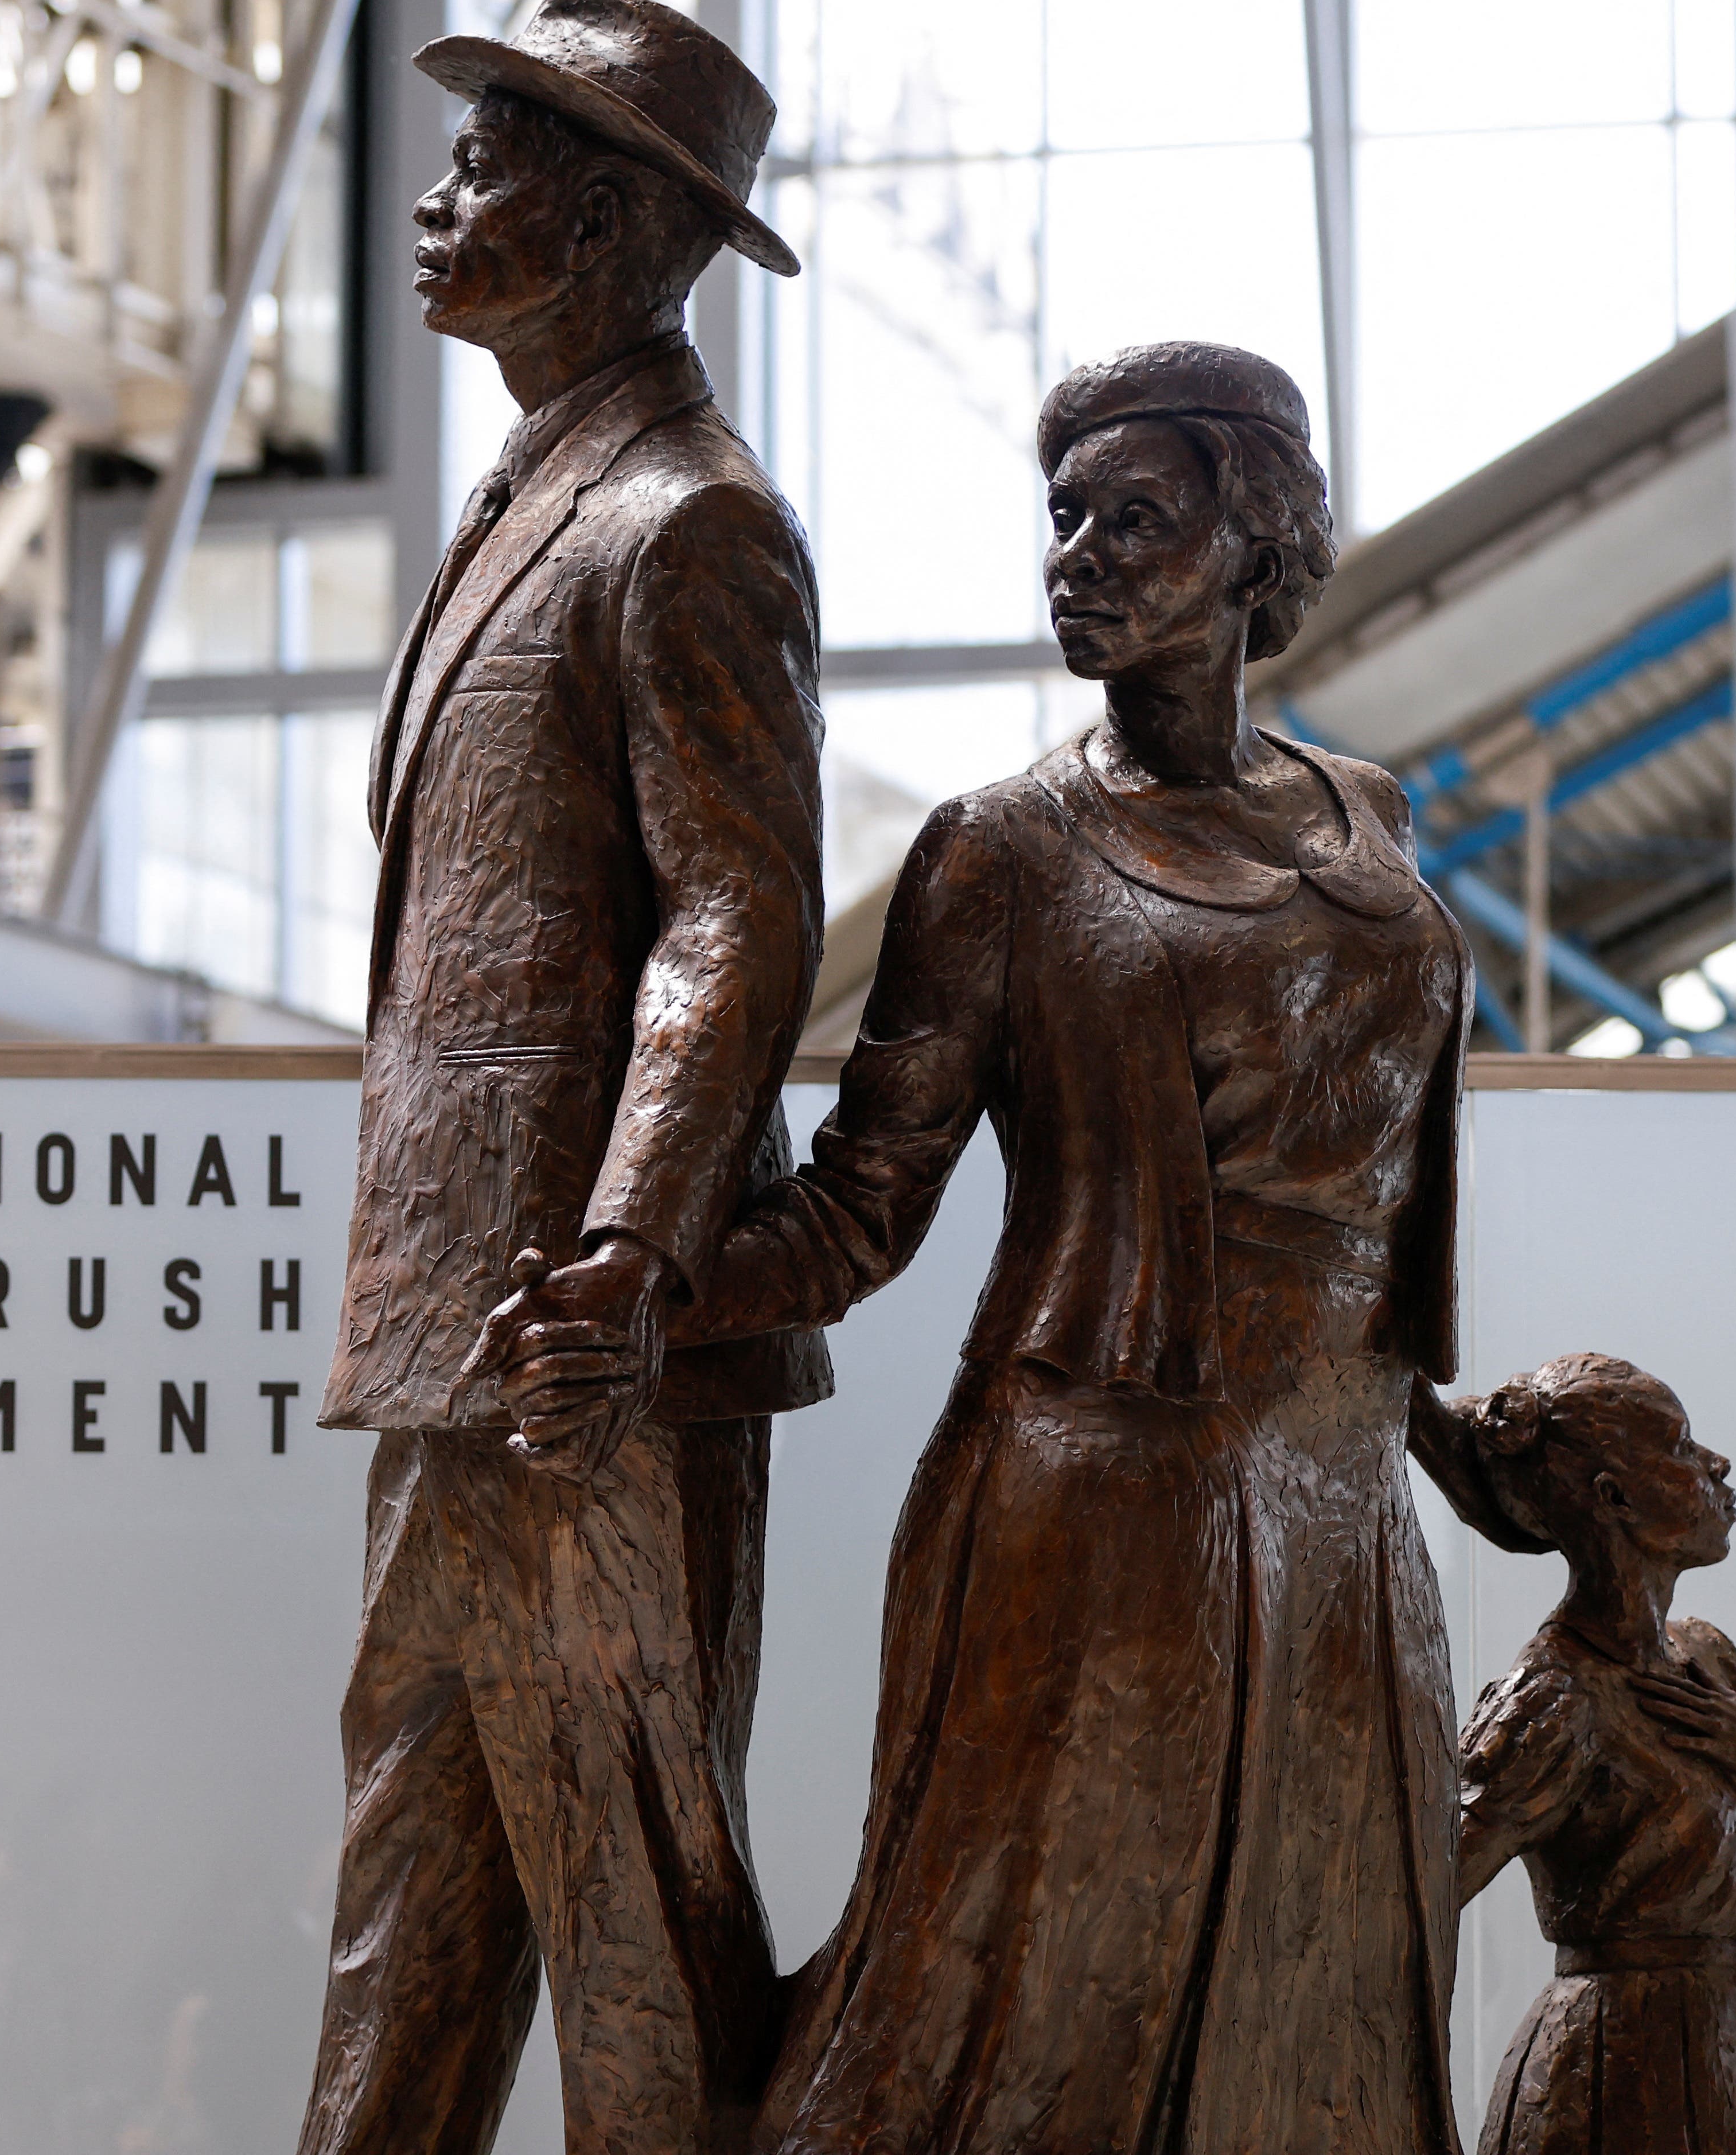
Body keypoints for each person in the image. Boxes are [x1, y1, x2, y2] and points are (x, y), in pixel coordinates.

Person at [484, 340, 1477, 2152]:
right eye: (1066, 517)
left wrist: (1443, 1431)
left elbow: (1382, 1201)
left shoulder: (1373, 821)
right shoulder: (1001, 855)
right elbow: (866, 1201)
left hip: (1340, 1494)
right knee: (1027, 2000)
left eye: (1140, 518)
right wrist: (644, 1288)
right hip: (1094, 1504)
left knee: (1324, 1971)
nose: (1081, 553)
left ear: (1258, 541)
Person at [295, 0, 825, 2155]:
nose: (432, 204)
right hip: (468, 1330)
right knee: (416, 1893)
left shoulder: (684, 519)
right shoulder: (548, 493)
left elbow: (741, 913)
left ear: (611, 227)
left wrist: (623, 1252)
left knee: (627, 1915)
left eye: (484, 166)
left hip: (579, 1338)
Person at [1446, 1353, 1736, 2155]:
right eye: (1681, 1449)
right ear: (1614, 1499)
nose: (1716, 1465)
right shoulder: (1553, 1697)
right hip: (1616, 2064)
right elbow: (1423, 1899)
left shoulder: (1706, 1657)